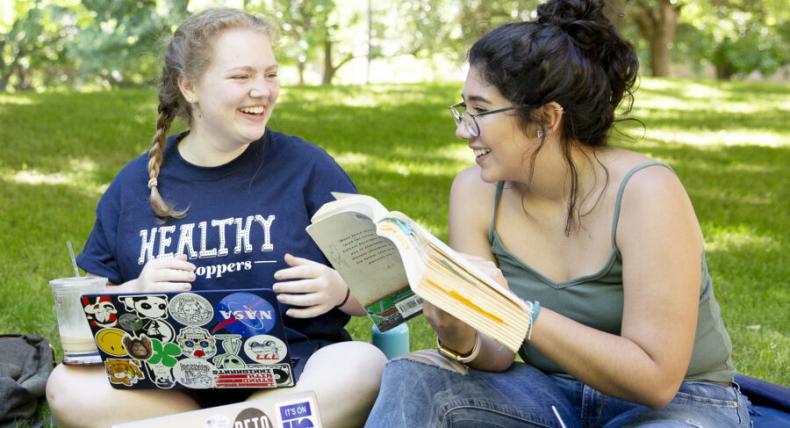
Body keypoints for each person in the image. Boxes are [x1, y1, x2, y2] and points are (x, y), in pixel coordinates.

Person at [365, 0, 751, 427]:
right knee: (414, 377)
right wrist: (457, 330)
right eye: (463, 110)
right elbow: (494, 353)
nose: (463, 129)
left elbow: (656, 380)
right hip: (547, 393)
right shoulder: (474, 191)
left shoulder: (646, 191)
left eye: (480, 110)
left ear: (546, 118)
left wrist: (516, 312)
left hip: (681, 404)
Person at [45, 8, 386, 428]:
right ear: (188, 86)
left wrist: (339, 290)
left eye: (271, 74)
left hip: (292, 378)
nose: (262, 90)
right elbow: (86, 317)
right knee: (66, 386)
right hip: (168, 393)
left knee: (362, 364)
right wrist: (136, 291)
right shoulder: (133, 186)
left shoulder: (307, 168)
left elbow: (387, 296)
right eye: (241, 77)